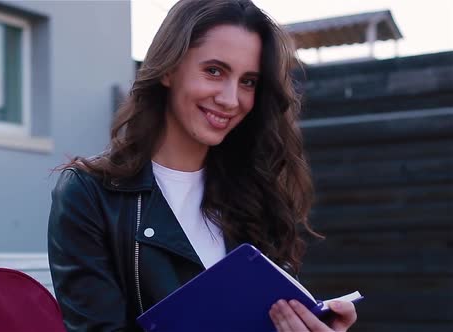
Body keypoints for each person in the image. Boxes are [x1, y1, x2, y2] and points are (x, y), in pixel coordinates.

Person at [48, 0, 358, 331]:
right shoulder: (89, 195)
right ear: (168, 69)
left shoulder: (257, 194)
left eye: (248, 81)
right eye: (214, 71)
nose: (230, 99)